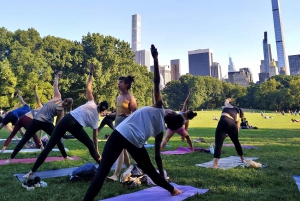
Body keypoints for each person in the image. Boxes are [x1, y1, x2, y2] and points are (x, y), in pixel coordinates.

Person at [83, 44, 183, 201]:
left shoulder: (158, 107)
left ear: (170, 113)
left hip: (120, 133)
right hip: (134, 142)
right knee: (150, 170)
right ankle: (172, 190)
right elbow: (157, 156)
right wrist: (161, 173)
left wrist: (156, 59)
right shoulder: (160, 131)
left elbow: (156, 82)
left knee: (102, 171)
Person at [23, 63, 106, 178]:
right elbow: (94, 138)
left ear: (99, 103)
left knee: (48, 147)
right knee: (90, 145)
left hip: (67, 119)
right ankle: (102, 168)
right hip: (75, 125)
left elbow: (88, 86)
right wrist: (97, 153)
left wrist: (91, 73)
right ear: (103, 111)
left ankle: (31, 172)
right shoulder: (96, 120)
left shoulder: (92, 102)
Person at [4, 71, 74, 164]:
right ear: (66, 102)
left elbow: (55, 86)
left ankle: (10, 159)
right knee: (28, 138)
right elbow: (55, 86)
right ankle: (10, 158)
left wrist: (57, 76)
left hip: (41, 121)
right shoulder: (59, 103)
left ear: (66, 102)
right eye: (67, 102)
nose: (65, 103)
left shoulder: (60, 105)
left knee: (27, 139)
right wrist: (57, 76)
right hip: (40, 121)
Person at [107, 75, 137, 181]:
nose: (119, 84)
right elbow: (117, 114)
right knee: (123, 150)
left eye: (121, 82)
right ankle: (130, 169)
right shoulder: (118, 98)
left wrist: (127, 115)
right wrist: (108, 114)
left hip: (125, 126)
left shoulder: (130, 98)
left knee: (119, 149)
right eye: (119, 82)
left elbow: (135, 114)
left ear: (127, 85)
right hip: (117, 125)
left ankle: (116, 175)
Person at [2, 86, 44, 153]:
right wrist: (40, 137)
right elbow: (41, 127)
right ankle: (41, 147)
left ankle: (3, 149)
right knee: (31, 134)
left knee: (11, 133)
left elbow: (23, 100)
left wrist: (19, 93)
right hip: (23, 119)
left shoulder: (29, 107)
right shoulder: (42, 113)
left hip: (14, 116)